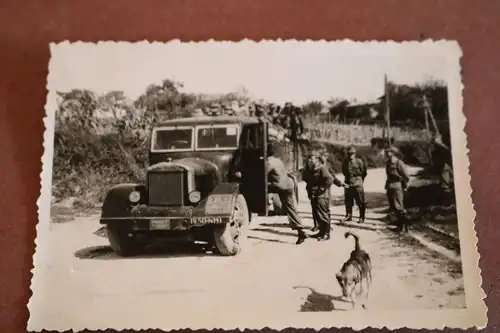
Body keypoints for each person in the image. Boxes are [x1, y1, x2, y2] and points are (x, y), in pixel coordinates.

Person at [267, 143, 310, 244]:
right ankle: (301, 231)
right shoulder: (278, 160)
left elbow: (262, 175)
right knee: (290, 209)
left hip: (280, 187)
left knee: (257, 189)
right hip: (288, 185)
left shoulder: (269, 162)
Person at [305, 151, 346, 241]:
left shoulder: (322, 168)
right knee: (317, 214)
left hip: (321, 196)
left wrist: (321, 189)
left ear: (317, 159)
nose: (310, 160)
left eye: (311, 158)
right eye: (309, 158)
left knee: (322, 214)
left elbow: (330, 179)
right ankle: (321, 232)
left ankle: (326, 234)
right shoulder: (312, 169)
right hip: (314, 195)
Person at [385, 146, 411, 233]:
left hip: (397, 186)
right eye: (387, 152)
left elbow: (406, 176)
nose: (387, 153)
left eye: (389, 152)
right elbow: (388, 176)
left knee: (399, 207)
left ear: (393, 153)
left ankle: (404, 227)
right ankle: (399, 226)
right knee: (393, 207)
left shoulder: (398, 163)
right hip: (390, 187)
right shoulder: (388, 163)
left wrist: (404, 185)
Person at [341, 146, 368, 223]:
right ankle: (348, 216)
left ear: (355, 154)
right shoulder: (345, 162)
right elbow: (344, 172)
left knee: (360, 201)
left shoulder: (359, 162)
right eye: (349, 154)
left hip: (357, 184)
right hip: (348, 183)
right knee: (348, 201)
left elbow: (364, 172)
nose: (350, 155)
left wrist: (359, 181)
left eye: (352, 154)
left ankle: (361, 217)